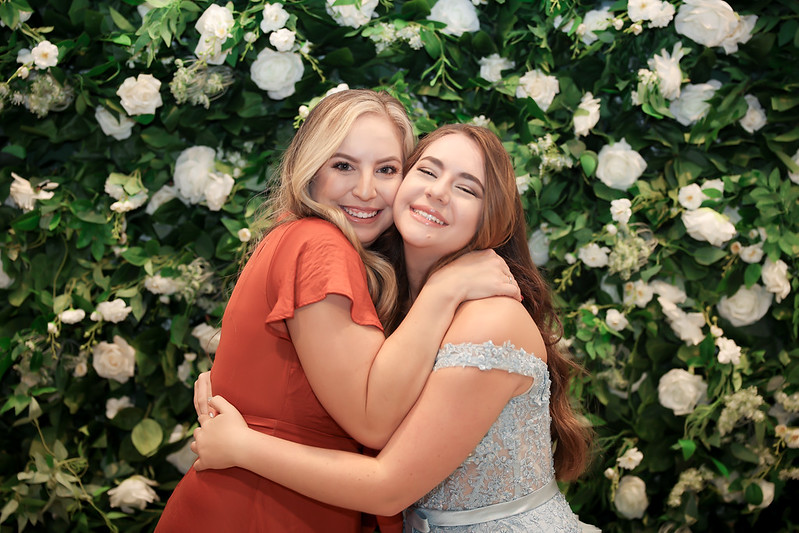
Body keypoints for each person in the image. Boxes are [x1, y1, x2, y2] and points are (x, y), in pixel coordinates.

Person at [190, 124, 596, 532]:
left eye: (467, 188)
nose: (438, 192)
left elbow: (387, 488)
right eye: (428, 171)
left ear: (491, 218)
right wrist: (235, 389)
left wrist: (243, 446)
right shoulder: (399, 301)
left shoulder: (491, 320)